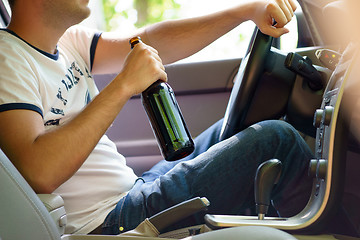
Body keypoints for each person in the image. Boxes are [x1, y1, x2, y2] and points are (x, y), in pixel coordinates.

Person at [0, 0, 313, 235]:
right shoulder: (6, 59)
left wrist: (243, 12)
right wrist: (124, 84)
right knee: (275, 140)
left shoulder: (68, 41)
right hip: (108, 224)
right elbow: (39, 171)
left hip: (134, 191)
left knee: (246, 126)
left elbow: (149, 39)